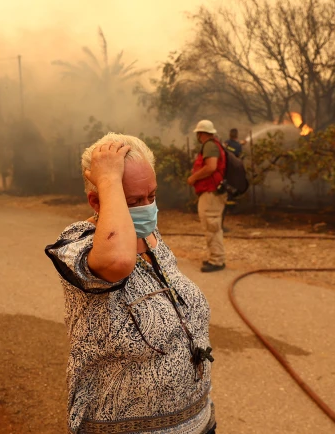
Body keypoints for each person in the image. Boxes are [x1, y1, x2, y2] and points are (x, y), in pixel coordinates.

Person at [44, 133, 216, 434]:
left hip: (198, 422)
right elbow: (117, 264)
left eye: (152, 195)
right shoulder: (78, 245)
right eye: (134, 201)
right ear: (97, 200)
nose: (148, 208)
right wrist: (109, 178)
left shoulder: (151, 238)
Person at [187, 120, 227, 273]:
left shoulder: (210, 145)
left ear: (201, 133)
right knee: (211, 225)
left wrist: (193, 178)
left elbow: (211, 167)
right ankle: (215, 257)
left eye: (198, 133)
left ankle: (217, 261)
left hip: (211, 193)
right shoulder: (213, 144)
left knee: (212, 226)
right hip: (210, 192)